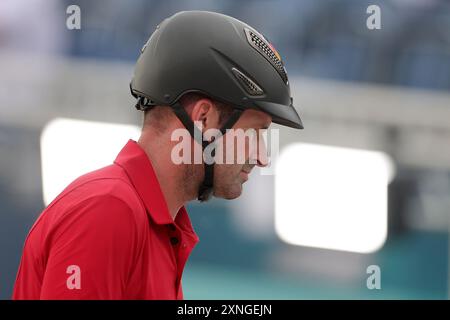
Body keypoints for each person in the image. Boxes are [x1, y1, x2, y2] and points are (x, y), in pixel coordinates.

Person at [13, 10, 303, 300]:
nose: (262, 156)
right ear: (203, 119)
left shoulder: (155, 225)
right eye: (254, 133)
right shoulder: (108, 209)